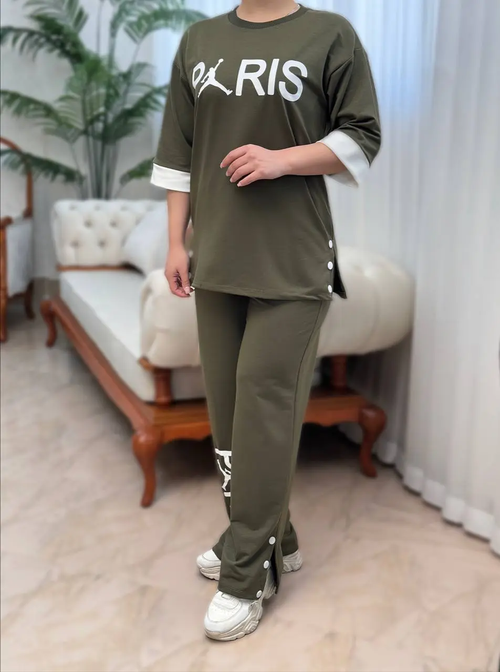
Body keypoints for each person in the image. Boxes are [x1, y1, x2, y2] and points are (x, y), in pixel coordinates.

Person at [151, 0, 381, 642]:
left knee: (263, 408)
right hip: (217, 258)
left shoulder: (330, 35)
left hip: (293, 260)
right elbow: (179, 151)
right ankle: (273, 535)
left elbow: (361, 136)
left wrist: (284, 159)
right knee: (228, 418)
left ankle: (247, 573)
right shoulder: (199, 41)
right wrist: (176, 243)